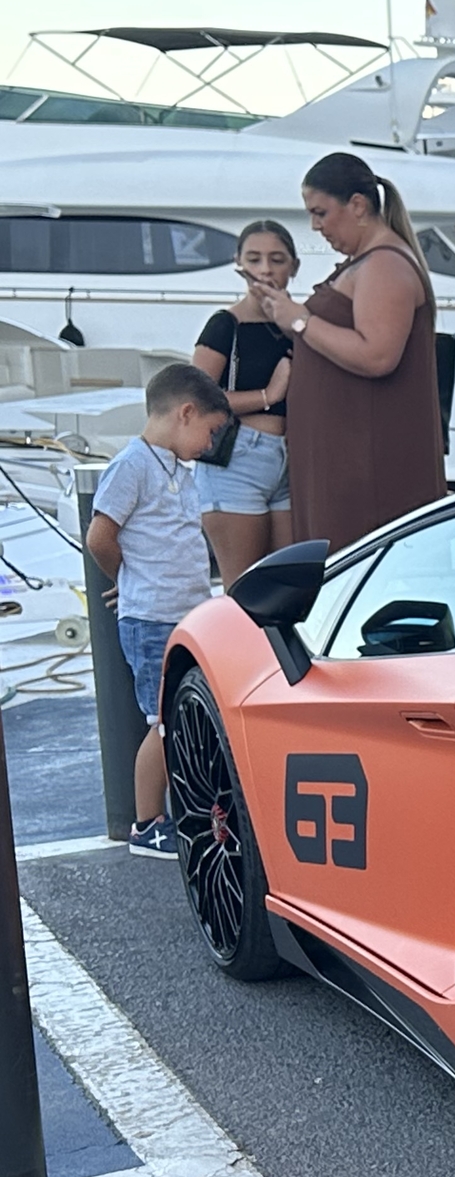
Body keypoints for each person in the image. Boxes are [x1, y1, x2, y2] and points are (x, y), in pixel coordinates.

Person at [247, 152, 442, 550]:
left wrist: (300, 320)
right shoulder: (363, 264)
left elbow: (377, 355)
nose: (315, 226)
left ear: (357, 205)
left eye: (320, 212)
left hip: (365, 468)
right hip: (344, 461)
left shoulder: (384, 265)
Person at [85, 364, 229, 859]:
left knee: (185, 716)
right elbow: (100, 537)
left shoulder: (175, 469)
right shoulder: (132, 466)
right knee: (163, 722)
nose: (210, 445)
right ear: (186, 413)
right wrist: (128, 582)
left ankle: (186, 809)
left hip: (186, 615)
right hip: (152, 619)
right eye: (210, 432)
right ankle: (147, 823)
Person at [190, 220, 297, 584]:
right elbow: (195, 397)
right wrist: (269, 396)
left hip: (289, 460)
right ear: (239, 264)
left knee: (290, 585)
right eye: (254, 259)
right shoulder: (226, 324)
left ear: (294, 266)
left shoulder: (297, 324)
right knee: (246, 589)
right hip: (238, 461)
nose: (265, 269)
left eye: (277, 259)